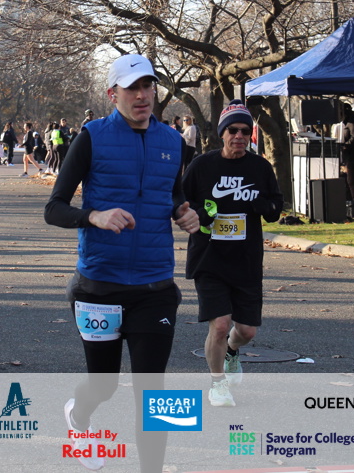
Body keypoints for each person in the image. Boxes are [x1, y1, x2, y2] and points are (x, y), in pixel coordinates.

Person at [44, 53, 198, 473]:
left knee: (153, 394)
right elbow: (54, 208)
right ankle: (79, 415)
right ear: (113, 94)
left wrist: (183, 212)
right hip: (100, 286)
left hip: (154, 286)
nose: (142, 95)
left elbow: (171, 194)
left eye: (148, 85)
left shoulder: (173, 142)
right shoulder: (91, 137)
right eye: (132, 88)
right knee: (104, 386)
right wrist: (93, 216)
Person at [183, 100, 283, 407]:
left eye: (244, 131)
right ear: (222, 133)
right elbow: (181, 204)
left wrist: (262, 205)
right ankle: (217, 384)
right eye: (232, 130)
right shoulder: (202, 166)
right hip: (209, 258)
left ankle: (232, 350)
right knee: (220, 324)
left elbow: (275, 208)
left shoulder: (260, 168)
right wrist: (201, 214)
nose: (239, 136)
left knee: (247, 331)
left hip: (246, 260)